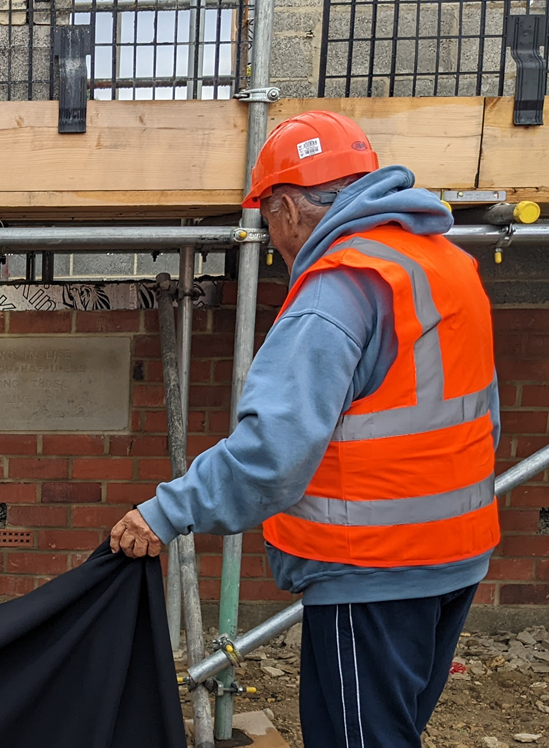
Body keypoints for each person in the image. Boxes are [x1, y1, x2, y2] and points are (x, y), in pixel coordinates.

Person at [109, 110, 499, 748]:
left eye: (266, 220)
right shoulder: (444, 265)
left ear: (286, 207)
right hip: (454, 555)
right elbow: (481, 417)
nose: (271, 238)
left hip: (370, 568)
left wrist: (166, 511)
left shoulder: (340, 288)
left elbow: (272, 454)